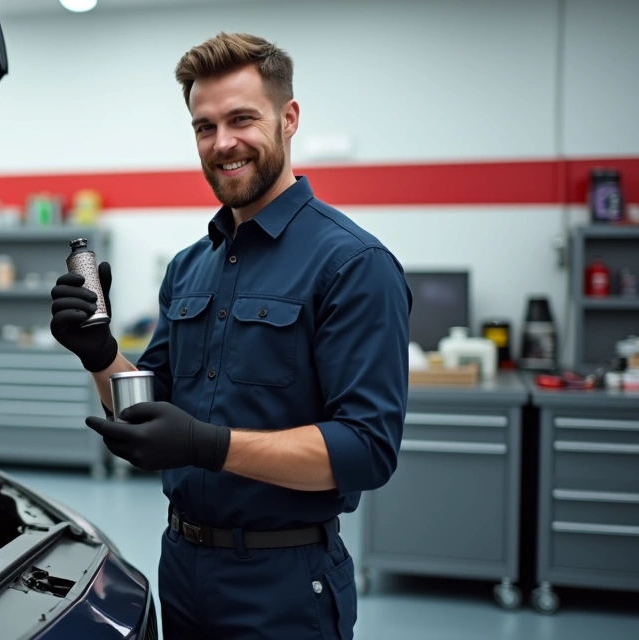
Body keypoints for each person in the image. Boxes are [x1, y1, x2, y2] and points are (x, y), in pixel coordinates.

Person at [49, 32, 412, 639]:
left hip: (285, 580)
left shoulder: (353, 264)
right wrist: (100, 353)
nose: (222, 143)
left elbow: (366, 449)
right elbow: (147, 410)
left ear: (288, 118)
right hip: (182, 565)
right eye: (203, 126)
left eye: (242, 119)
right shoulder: (190, 266)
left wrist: (207, 444)